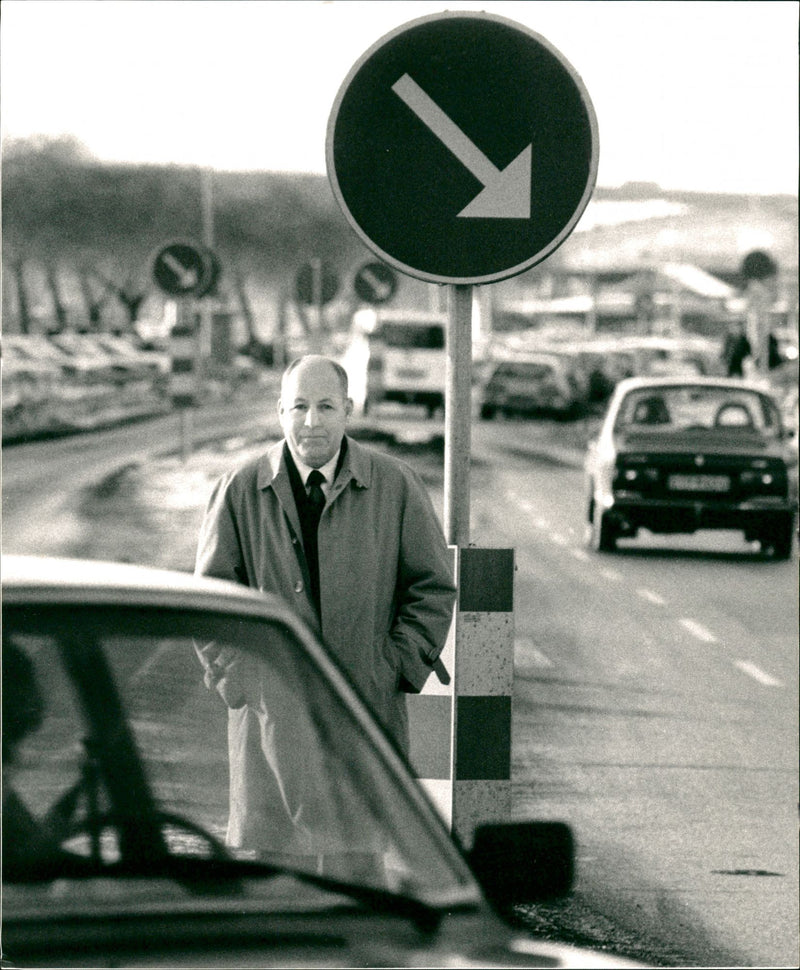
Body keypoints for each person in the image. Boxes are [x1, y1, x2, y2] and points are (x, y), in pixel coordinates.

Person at [195, 354, 456, 857]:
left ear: (348, 410)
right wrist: (242, 679)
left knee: (357, 878)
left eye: (325, 406)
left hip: (363, 717)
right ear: (280, 413)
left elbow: (432, 588)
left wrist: (392, 667)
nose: (311, 421)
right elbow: (210, 601)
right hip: (267, 722)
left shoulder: (395, 485)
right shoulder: (240, 489)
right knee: (276, 886)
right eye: (298, 407)